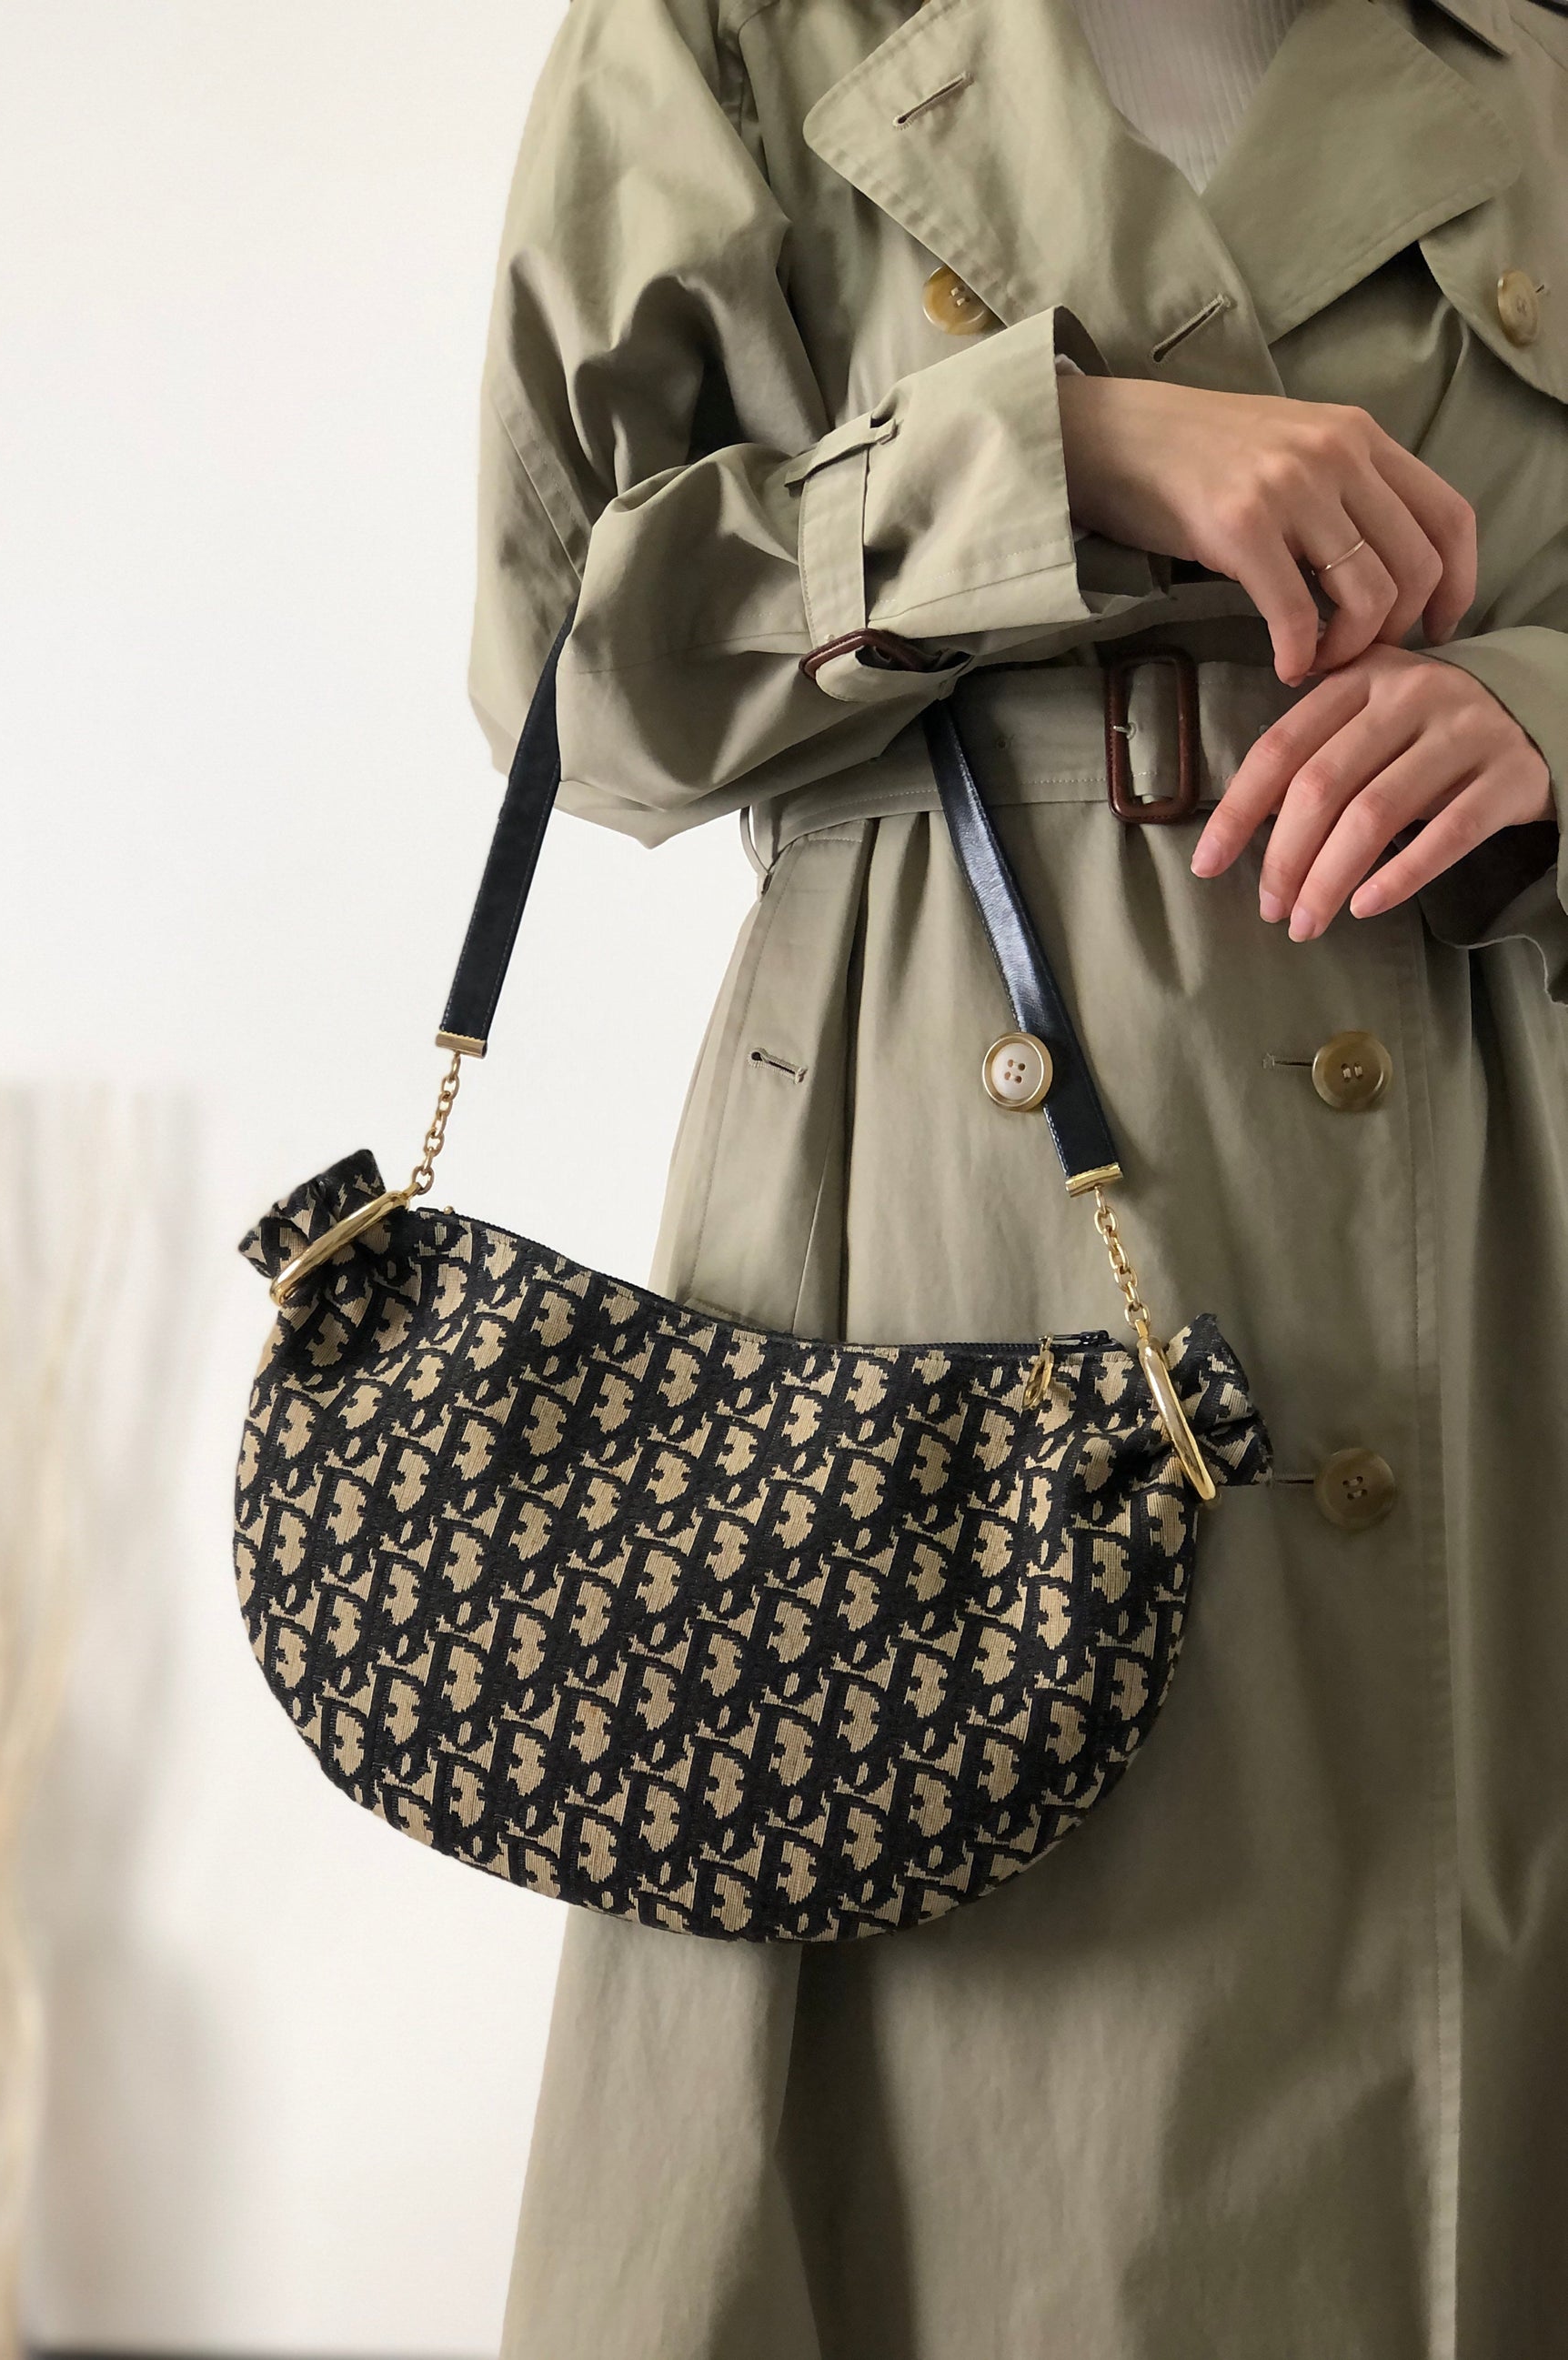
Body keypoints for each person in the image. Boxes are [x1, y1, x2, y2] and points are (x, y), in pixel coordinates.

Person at [466, 0, 1568, 2351]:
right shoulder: (730, 36)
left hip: (1498, 1211)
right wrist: (1046, 450)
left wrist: (1545, 719)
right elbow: (573, 682)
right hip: (929, 1254)